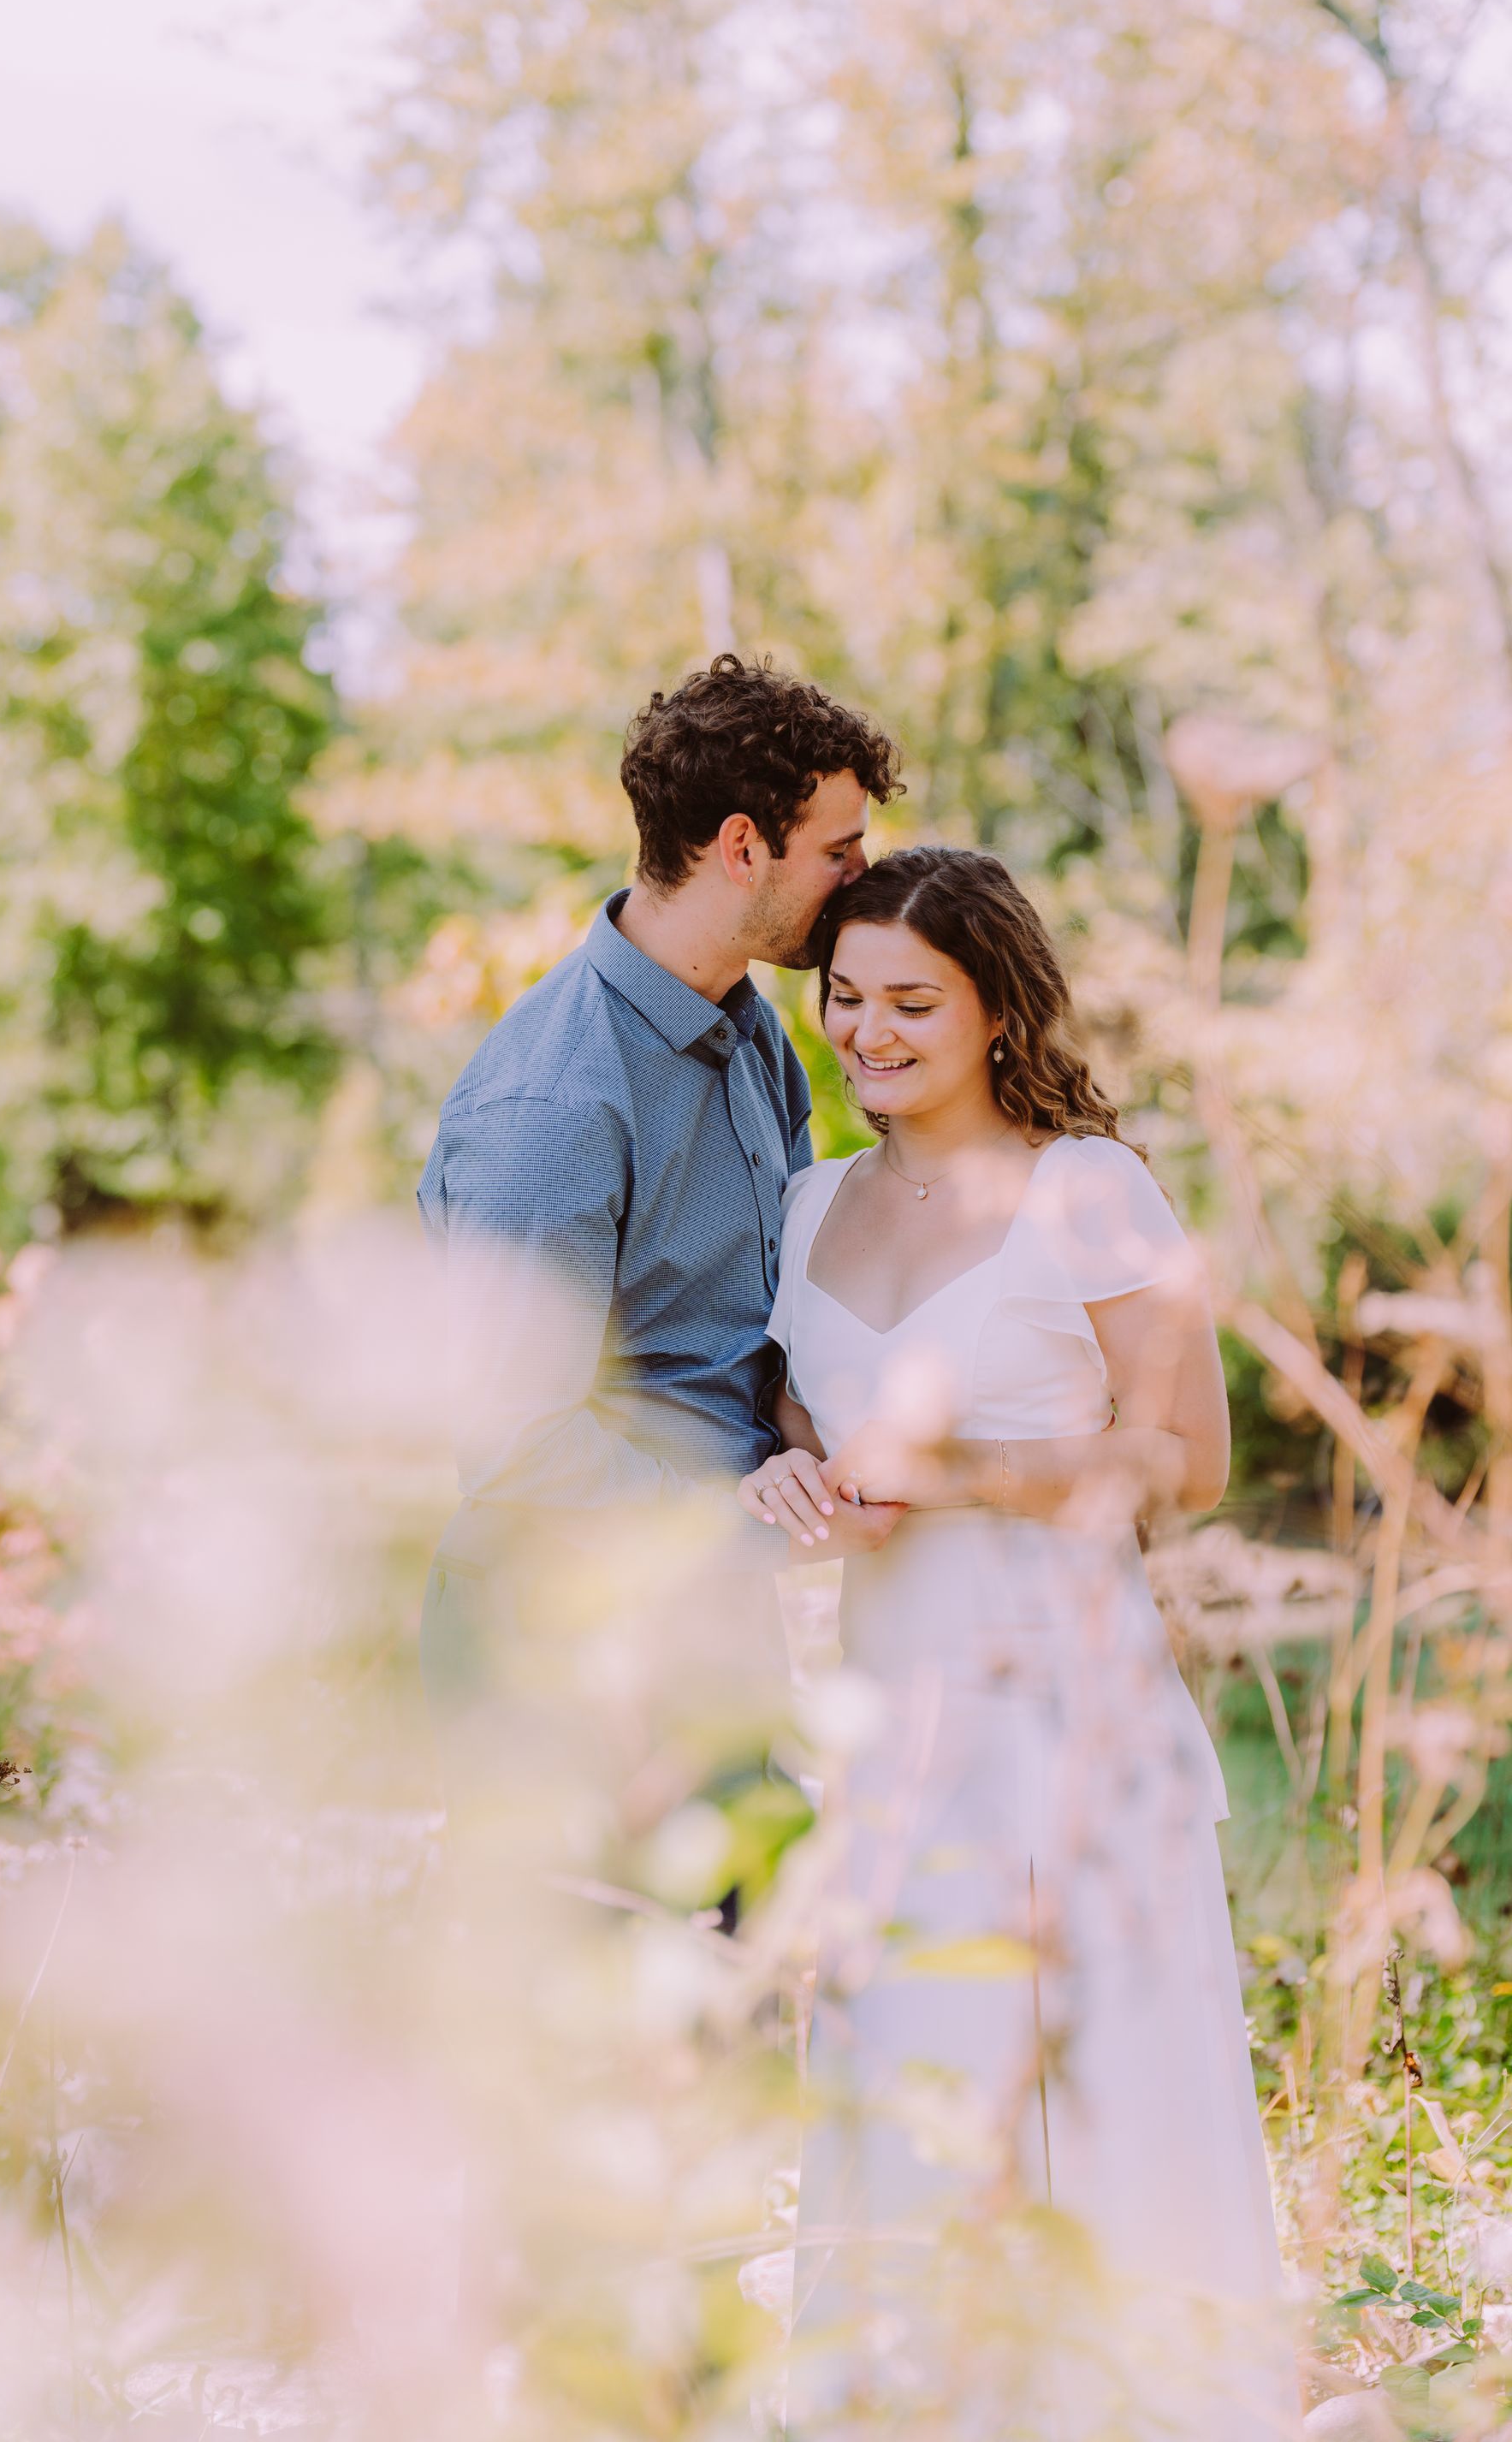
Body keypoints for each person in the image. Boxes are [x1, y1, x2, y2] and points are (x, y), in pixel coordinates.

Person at [741, 846, 1298, 2439]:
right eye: (844, 999)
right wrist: (791, 1466)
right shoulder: (809, 1200)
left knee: (1096, 2094)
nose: (867, 1032)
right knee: (910, 2090)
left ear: (998, 1011)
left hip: (1067, 1711)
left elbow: (1186, 1455)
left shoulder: (1090, 1190)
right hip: (886, 1715)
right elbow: (805, 1402)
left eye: (913, 1001)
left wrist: (963, 1476)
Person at [416, 654, 906, 1705]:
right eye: (840, 848)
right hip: (560, 1652)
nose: (863, 875)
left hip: (708, 1625)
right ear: (743, 848)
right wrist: (757, 1519)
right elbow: (517, 1446)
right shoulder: (552, 1103)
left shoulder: (756, 1037)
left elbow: (765, 1332)